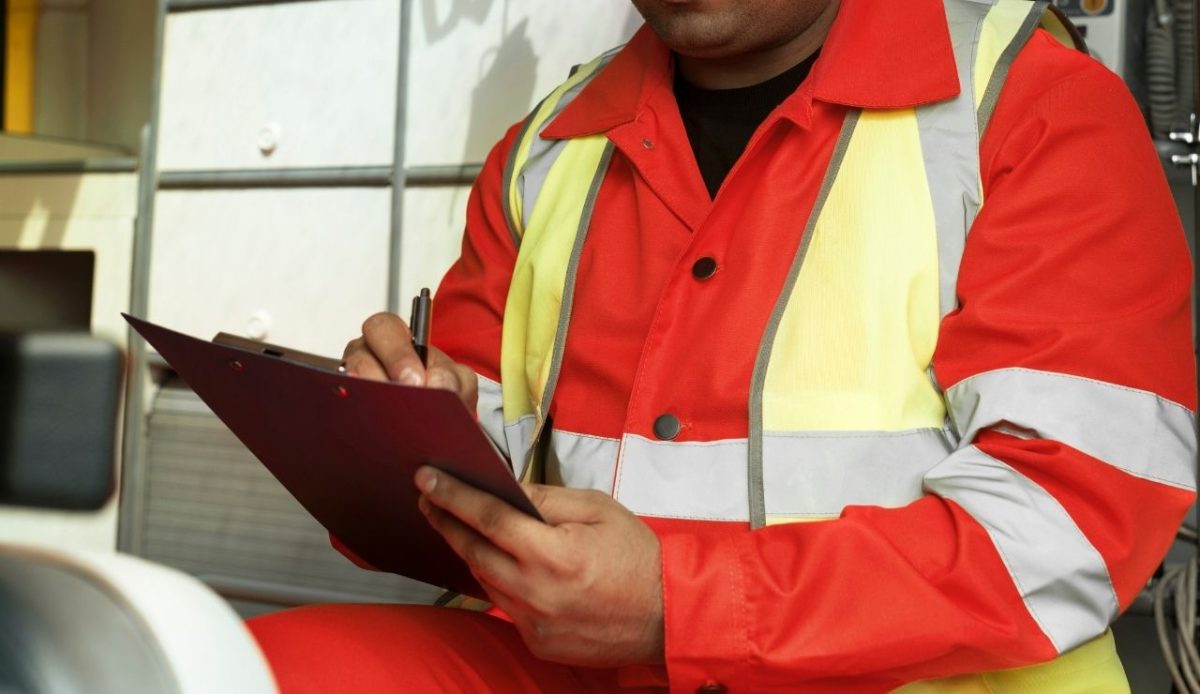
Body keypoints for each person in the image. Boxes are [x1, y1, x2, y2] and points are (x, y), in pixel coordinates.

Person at [247, 0, 1198, 691]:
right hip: (569, 666)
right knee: (231, 668)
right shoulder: (546, 150)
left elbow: (1069, 526)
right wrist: (404, 436)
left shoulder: (1031, 111)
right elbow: (482, 458)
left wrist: (678, 605)